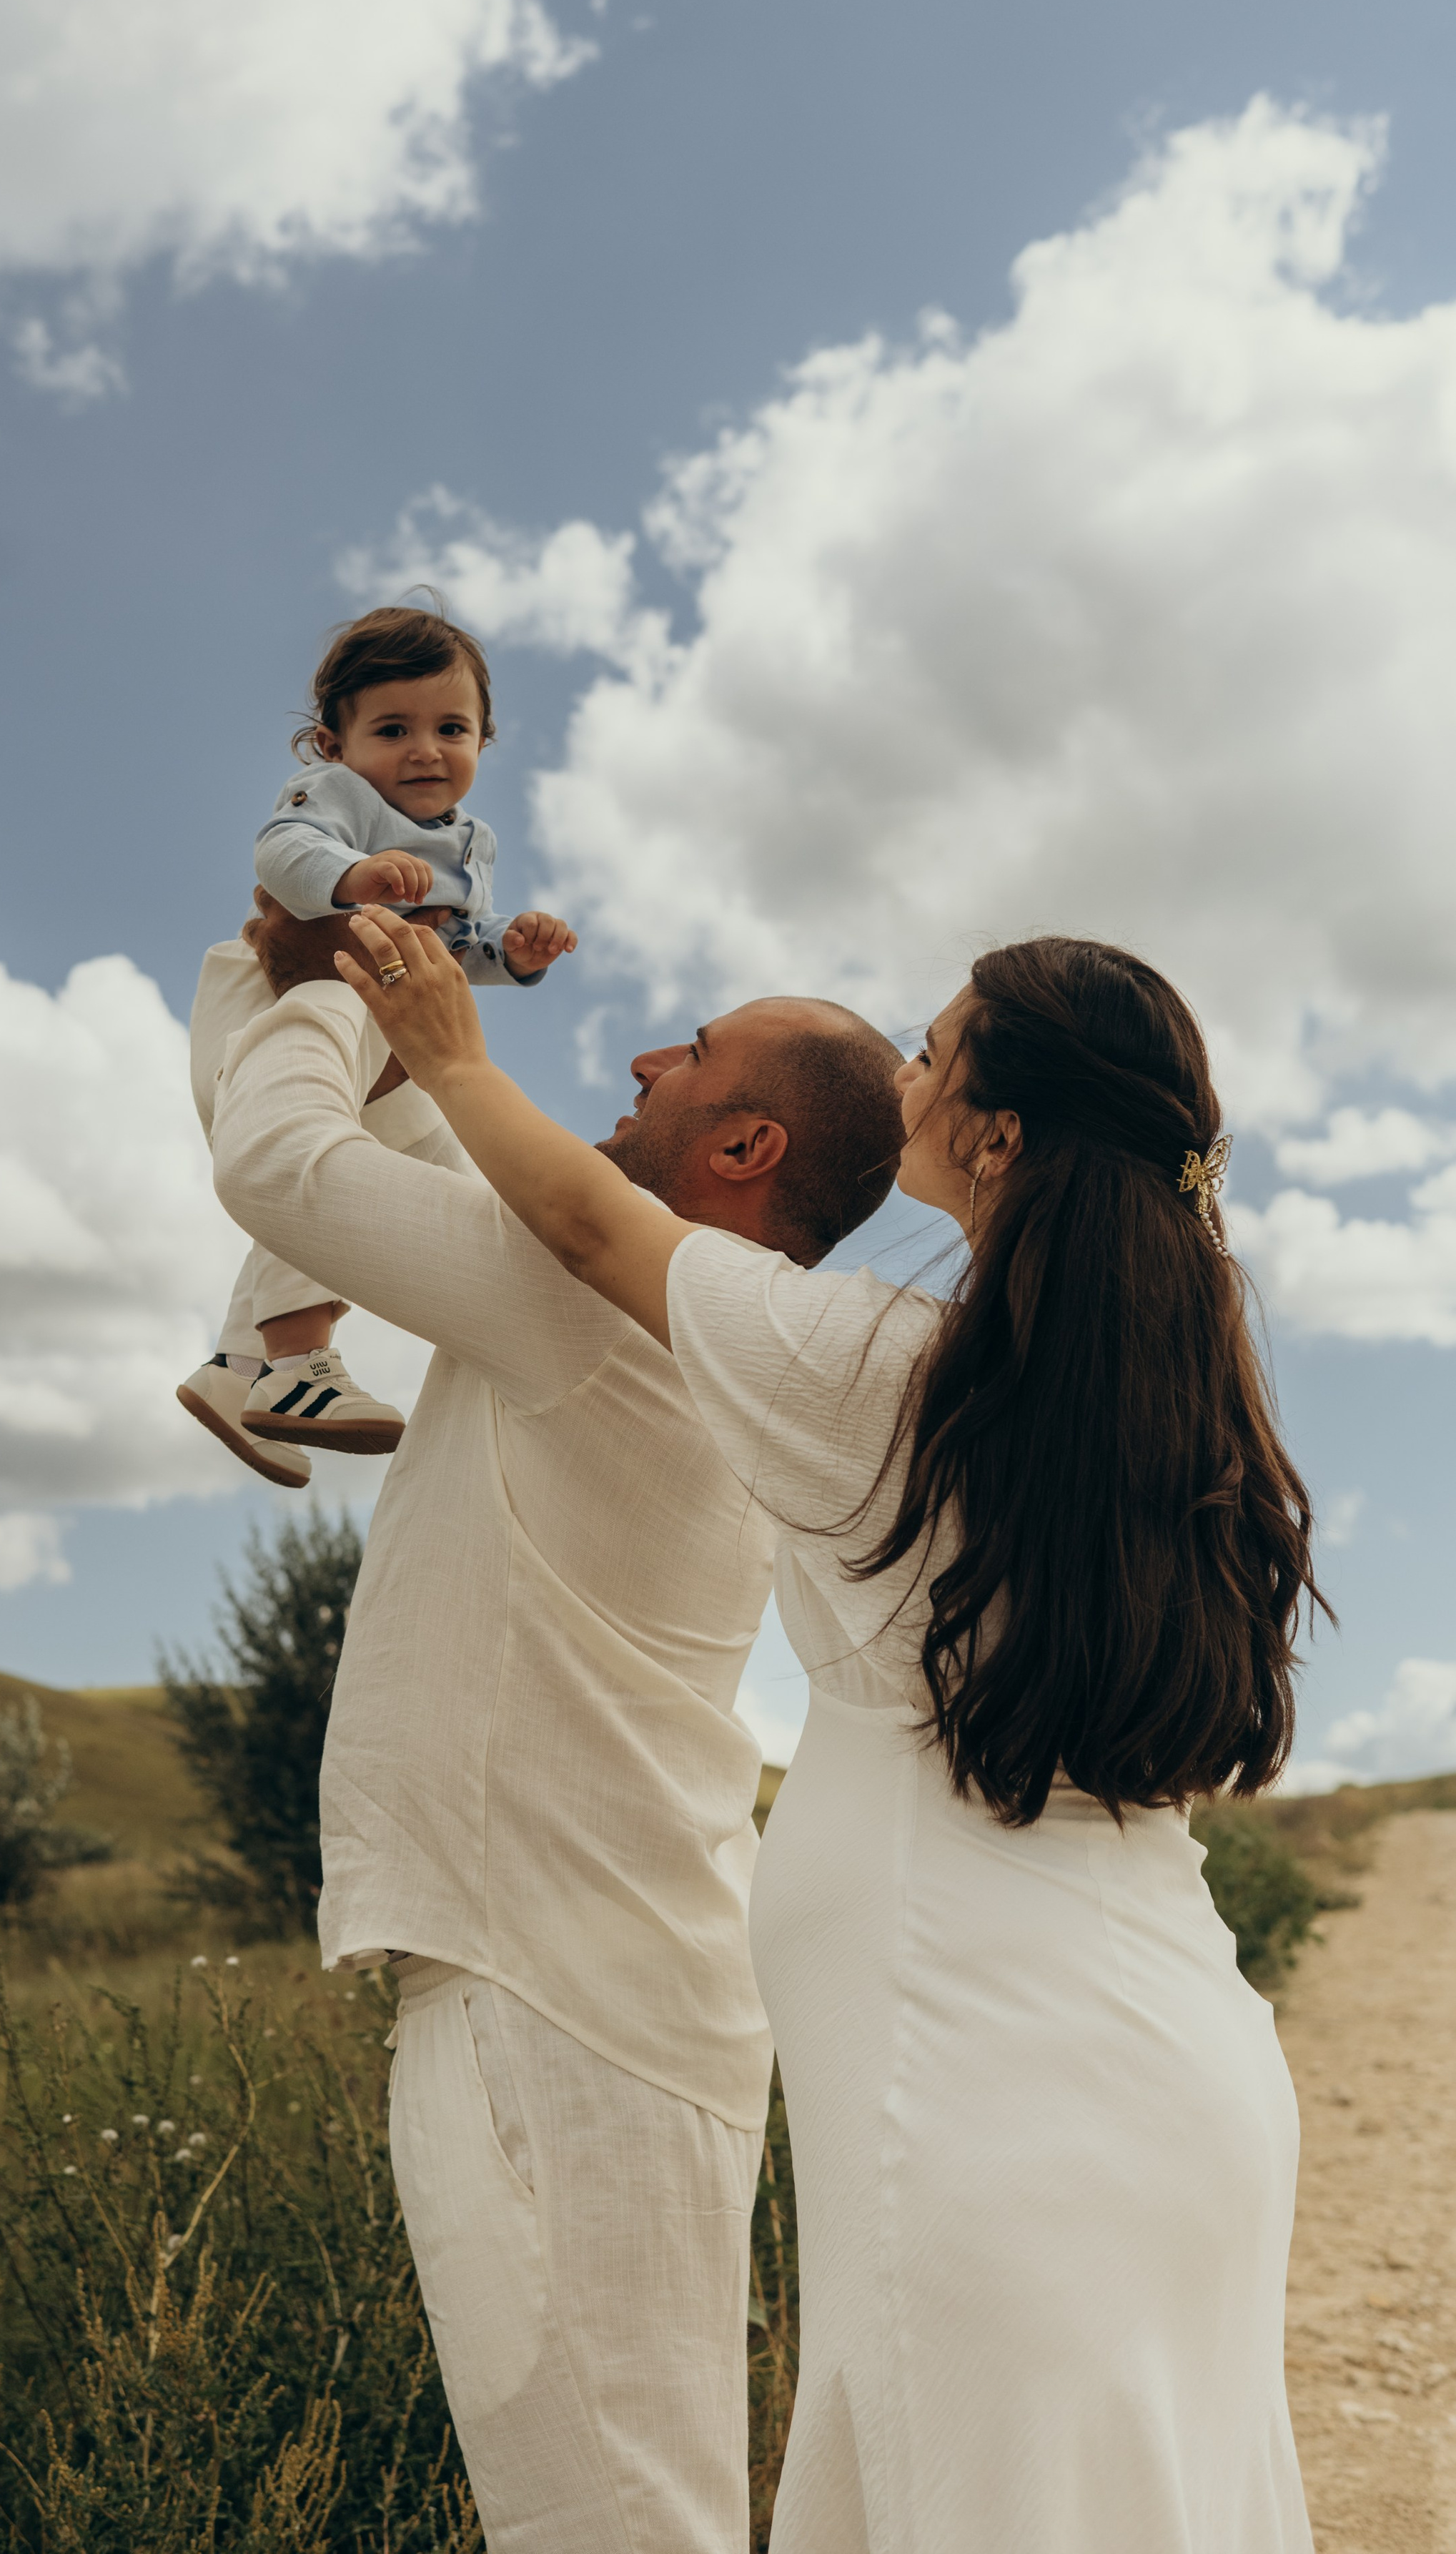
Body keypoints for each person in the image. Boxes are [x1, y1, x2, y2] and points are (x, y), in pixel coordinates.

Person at [332, 909, 1324, 2554]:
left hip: (986, 2117)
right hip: (1189, 2086)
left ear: (991, 1134)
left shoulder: (879, 1372)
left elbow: (584, 1223)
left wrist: (445, 1053)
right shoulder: (1171, 1419)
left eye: (931, 1055)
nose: (904, 1078)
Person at [209, 889, 906, 2554]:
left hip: (551, 1997)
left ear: (740, 1144)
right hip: (596, 1982)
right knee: (638, 2505)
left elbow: (282, 1168)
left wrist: (324, 988)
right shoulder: (689, 1323)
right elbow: (380, 1169)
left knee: (608, 2522)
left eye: (695, 1049)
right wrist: (322, 986)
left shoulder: (589, 1303)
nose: (647, 1053)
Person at [177, 602, 575, 1486]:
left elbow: (454, 945)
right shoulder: (338, 799)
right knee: (318, 1163)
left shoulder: (470, 843)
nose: (425, 751)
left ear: (484, 739)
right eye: (393, 730)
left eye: (450, 729)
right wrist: (350, 874)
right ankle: (297, 1364)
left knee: (436, 1189)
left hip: (388, 1039)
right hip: (291, 1003)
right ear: (333, 745)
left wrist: (512, 952)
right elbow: (283, 852)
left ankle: (237, 1368)